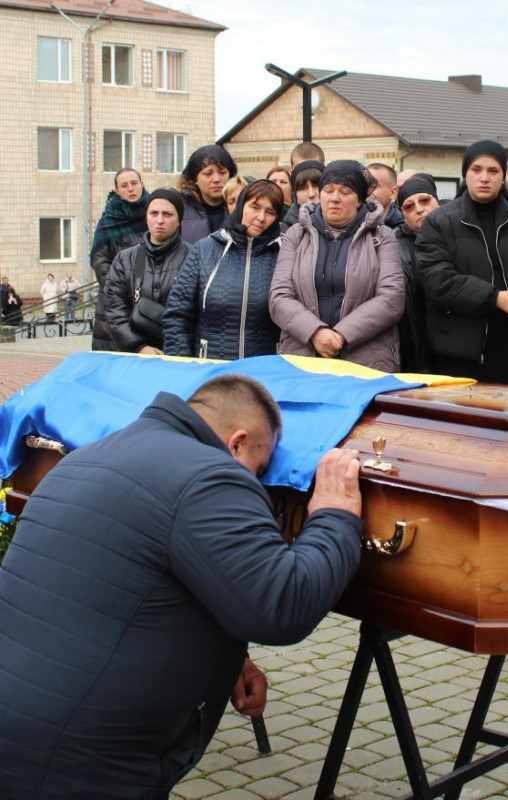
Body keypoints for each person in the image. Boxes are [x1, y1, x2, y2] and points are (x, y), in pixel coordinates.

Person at [0, 374, 363, 799]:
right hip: (77, 761)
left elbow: (118, 587)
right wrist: (335, 514)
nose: (259, 483)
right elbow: (282, 604)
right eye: (260, 470)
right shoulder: (210, 476)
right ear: (236, 443)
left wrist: (222, 661)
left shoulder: (87, 456)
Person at [416, 140, 508, 384]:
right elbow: (438, 281)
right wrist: (496, 298)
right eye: (476, 169)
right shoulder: (438, 222)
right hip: (459, 350)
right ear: (465, 174)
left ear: (504, 176)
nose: (484, 177)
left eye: (493, 171)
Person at [270, 160, 404, 371]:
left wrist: (341, 335)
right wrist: (315, 332)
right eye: (328, 190)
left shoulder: (381, 236)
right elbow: (279, 296)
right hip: (303, 357)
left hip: (366, 361)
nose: (334, 198)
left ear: (359, 199)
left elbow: (391, 298)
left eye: (345, 192)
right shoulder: (296, 234)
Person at [164, 180, 284, 360]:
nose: (261, 217)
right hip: (211, 371)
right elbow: (177, 314)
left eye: (270, 212)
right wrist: (184, 366)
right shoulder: (205, 249)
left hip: (264, 372)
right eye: (254, 207)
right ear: (241, 205)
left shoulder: (284, 253)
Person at [103, 188, 191, 354]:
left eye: (167, 214)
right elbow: (115, 312)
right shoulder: (125, 259)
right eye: (153, 213)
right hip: (137, 358)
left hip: (179, 357)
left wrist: (177, 350)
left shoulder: (194, 256)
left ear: (179, 220)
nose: (159, 220)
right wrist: (139, 347)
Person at [91, 168, 149, 350]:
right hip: (116, 299)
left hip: (150, 298)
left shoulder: (155, 212)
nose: (130, 189)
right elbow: (99, 259)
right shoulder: (109, 220)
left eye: (134, 183)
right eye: (124, 185)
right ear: (117, 191)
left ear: (142, 184)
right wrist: (118, 290)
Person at [394, 173, 441, 372]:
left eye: (425, 200)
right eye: (409, 206)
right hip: (416, 345)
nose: (419, 209)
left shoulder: (462, 233)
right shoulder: (393, 246)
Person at [179, 144, 238, 244]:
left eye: (222, 172)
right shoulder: (180, 207)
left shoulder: (242, 205)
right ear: (195, 179)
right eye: (208, 174)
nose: (216, 179)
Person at [284, 159, 325, 232]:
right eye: (303, 188)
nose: (311, 194)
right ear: (295, 195)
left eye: (316, 186)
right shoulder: (287, 228)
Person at [367, 162, 403, 228]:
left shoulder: (403, 229)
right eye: (364, 185)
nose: (366, 191)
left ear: (393, 192)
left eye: (373, 186)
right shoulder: (349, 223)